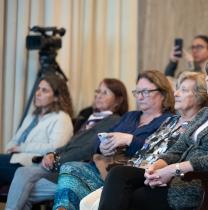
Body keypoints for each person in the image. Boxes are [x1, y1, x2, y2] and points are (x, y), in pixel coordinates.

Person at [98, 54, 208, 210]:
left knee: (133, 196)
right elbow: (178, 149)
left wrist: (172, 170)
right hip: (182, 178)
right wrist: (155, 168)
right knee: (119, 174)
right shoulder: (206, 113)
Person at [79, 71, 208, 210]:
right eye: (177, 89)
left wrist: (152, 167)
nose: (176, 94)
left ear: (200, 96)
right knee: (85, 203)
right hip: (136, 168)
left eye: (183, 90)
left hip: (156, 173)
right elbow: (148, 147)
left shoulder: (199, 125)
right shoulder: (170, 120)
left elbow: (183, 158)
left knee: (114, 179)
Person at [53, 70, 175, 210]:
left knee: (71, 172)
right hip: (104, 167)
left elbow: (157, 151)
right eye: (137, 92)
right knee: (69, 172)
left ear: (163, 93)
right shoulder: (131, 116)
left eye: (145, 92)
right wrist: (102, 146)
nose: (140, 97)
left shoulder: (168, 120)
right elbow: (97, 139)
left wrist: (130, 140)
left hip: (129, 174)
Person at [4, 78, 129, 210]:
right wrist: (52, 154)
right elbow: (69, 145)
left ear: (118, 100)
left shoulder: (114, 120)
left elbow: (89, 149)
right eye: (98, 91)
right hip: (63, 165)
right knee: (23, 190)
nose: (98, 95)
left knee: (23, 177)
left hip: (79, 171)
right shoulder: (91, 118)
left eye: (105, 93)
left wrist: (58, 160)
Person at [0, 73, 74, 188]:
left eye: (44, 90)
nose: (38, 93)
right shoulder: (32, 115)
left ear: (56, 97)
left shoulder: (61, 118)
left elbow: (56, 149)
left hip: (36, 166)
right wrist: (10, 148)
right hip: (16, 160)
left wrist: (22, 147)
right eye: (38, 89)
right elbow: (15, 140)